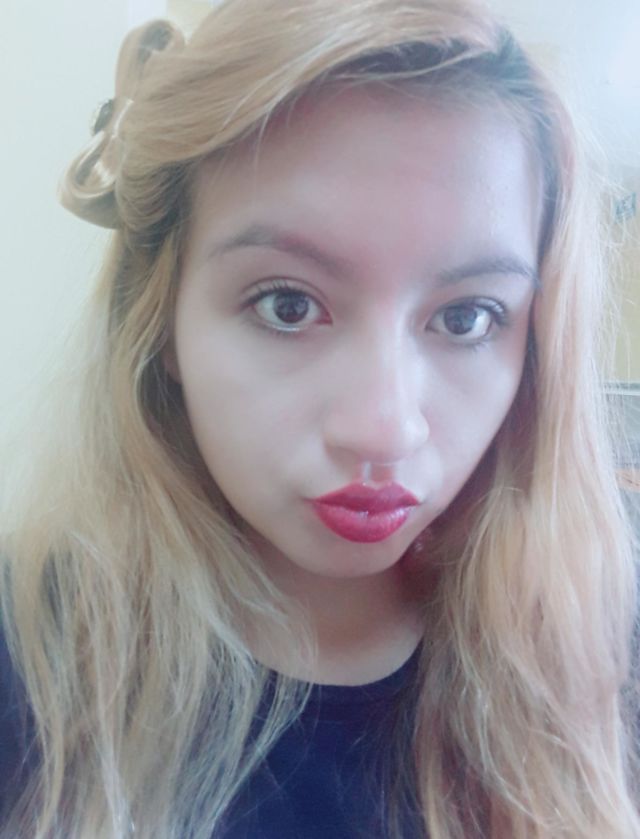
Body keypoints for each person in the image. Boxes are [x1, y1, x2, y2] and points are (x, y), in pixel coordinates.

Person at [1, 0, 639, 836]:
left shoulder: (600, 643)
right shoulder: (26, 657)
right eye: (288, 304)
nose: (384, 430)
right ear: (162, 325)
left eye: (466, 317)